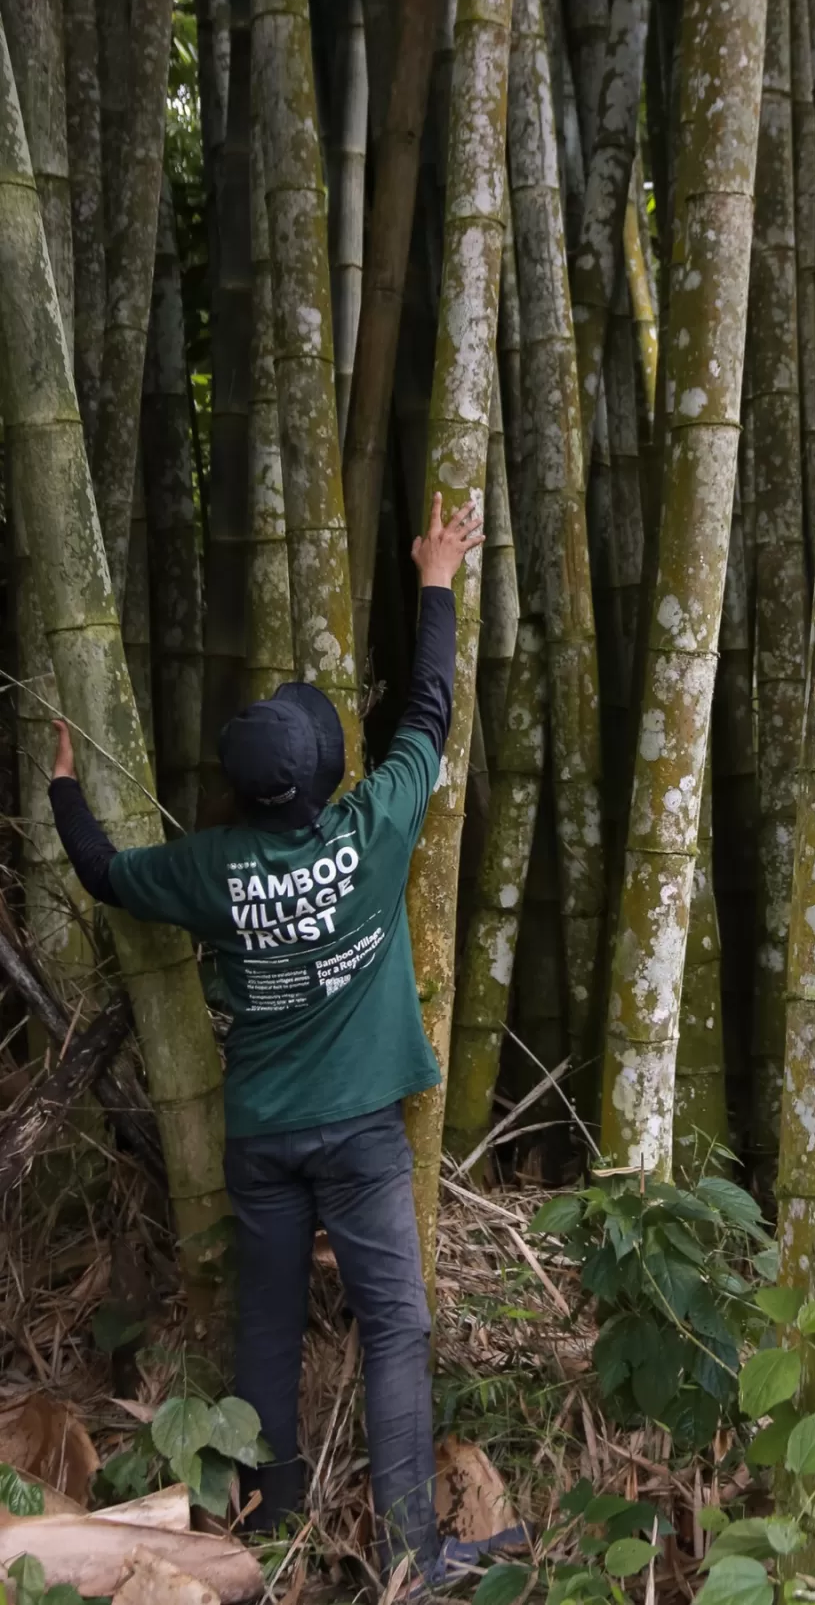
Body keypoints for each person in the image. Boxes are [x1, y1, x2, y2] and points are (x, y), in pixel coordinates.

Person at [48, 495, 523, 1584]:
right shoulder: (373, 828)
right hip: (360, 1132)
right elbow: (429, 711)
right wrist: (436, 575)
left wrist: (66, 787)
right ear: (323, 776)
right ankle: (413, 1549)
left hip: (260, 1138)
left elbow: (105, 873)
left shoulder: (209, 866)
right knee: (395, 1325)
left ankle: (267, 1522)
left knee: (263, 1326)